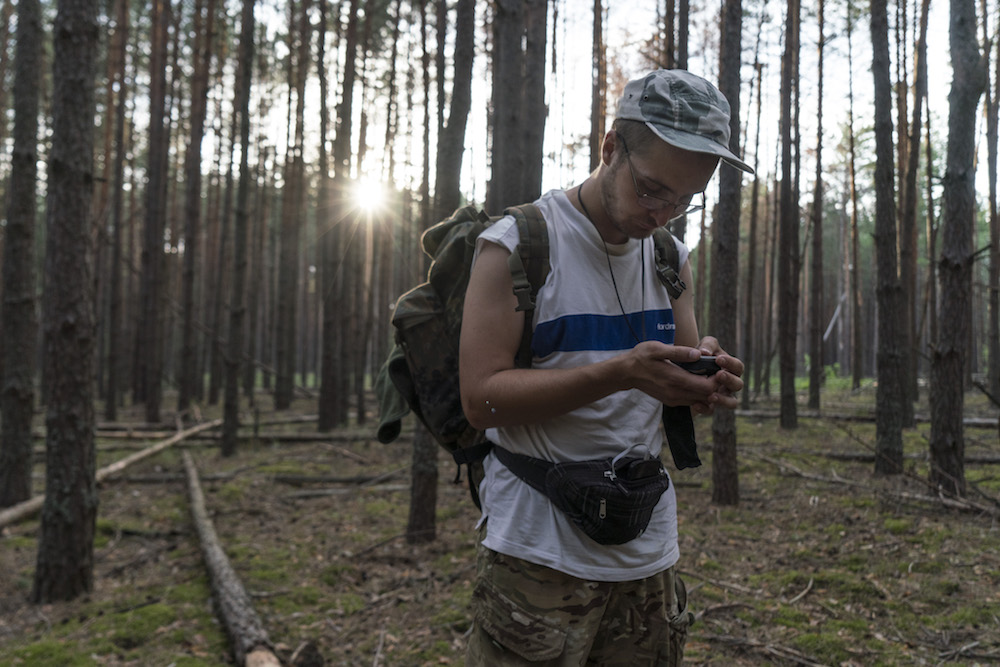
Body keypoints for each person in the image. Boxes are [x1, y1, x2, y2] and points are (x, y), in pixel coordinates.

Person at [458, 69, 752, 665]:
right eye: (650, 189)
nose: (663, 212)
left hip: (647, 553)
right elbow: (480, 399)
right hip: (537, 558)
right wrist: (621, 372)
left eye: (684, 200)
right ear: (611, 148)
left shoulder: (670, 258)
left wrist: (705, 378)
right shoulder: (518, 245)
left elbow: (673, 386)